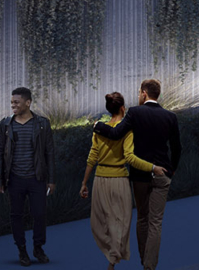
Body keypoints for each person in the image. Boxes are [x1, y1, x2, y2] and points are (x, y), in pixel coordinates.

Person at [94, 79, 181, 270]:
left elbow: (116, 134)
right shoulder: (170, 117)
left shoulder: (135, 112)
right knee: (155, 222)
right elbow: (176, 148)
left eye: (139, 92)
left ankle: (144, 260)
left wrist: (98, 126)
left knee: (142, 217)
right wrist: (171, 170)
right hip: (162, 173)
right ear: (157, 94)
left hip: (140, 175)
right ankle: (150, 266)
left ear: (143, 93)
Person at [82, 91, 156, 270]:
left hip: (100, 180)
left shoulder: (99, 128)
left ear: (108, 109)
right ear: (123, 107)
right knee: (121, 222)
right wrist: (152, 167)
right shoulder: (127, 131)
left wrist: (84, 182)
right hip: (119, 180)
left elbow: (93, 156)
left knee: (102, 222)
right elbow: (130, 158)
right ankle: (113, 259)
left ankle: (112, 258)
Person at [0, 87, 54, 267]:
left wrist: (51, 179)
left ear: (27, 103)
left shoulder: (43, 124)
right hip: (14, 179)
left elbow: (49, 152)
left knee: (39, 214)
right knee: (16, 215)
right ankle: (22, 250)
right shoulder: (5, 125)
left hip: (37, 178)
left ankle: (38, 248)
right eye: (12, 102)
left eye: (16, 102)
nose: (13, 105)